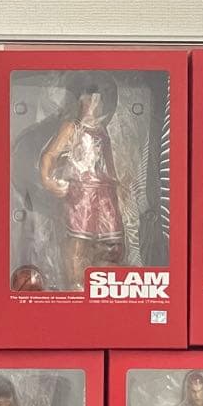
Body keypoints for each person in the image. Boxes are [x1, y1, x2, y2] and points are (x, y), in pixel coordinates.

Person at [38, 82, 125, 290]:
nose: (94, 103)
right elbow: (50, 154)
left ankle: (99, 286)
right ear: (80, 101)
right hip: (81, 193)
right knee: (78, 242)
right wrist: (48, 180)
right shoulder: (72, 127)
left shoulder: (103, 130)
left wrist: (121, 187)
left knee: (112, 246)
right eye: (90, 98)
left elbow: (110, 165)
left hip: (104, 193)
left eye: (98, 99)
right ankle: (76, 287)